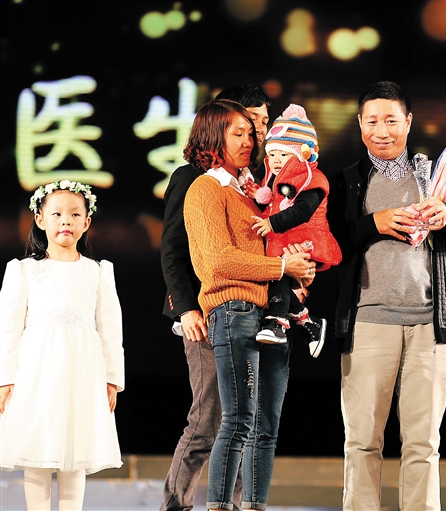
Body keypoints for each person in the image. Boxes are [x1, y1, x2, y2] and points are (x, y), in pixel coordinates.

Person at [328, 81, 446, 510]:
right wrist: (372, 223)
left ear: (409, 122)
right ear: (360, 124)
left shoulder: (435, 177)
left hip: (429, 328)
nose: (382, 131)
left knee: (423, 445)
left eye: (391, 121)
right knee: (362, 442)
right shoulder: (346, 182)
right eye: (373, 121)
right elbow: (329, 245)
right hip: (368, 323)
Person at [182, 99, 314, 511]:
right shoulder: (205, 188)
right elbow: (217, 262)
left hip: (271, 315)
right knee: (238, 421)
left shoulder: (253, 192)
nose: (249, 142)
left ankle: (254, 506)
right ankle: (220, 506)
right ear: (211, 138)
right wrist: (281, 267)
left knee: (266, 427)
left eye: (251, 134)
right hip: (234, 310)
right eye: (237, 134)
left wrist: (298, 270)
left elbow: (276, 247)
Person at [159, 84, 270, 511]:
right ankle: (176, 504)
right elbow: (173, 249)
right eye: (247, 124)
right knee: (208, 416)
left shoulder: (253, 183)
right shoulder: (192, 179)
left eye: (260, 125)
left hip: (248, 309)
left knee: (246, 417)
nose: (255, 134)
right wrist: (186, 308)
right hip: (204, 312)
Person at [0, 180, 124, 511]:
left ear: (87, 222)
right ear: (40, 219)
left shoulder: (97, 272)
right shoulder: (24, 270)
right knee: (37, 449)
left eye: (74, 214)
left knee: (75, 451)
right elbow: (8, 328)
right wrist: (5, 378)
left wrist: (112, 378)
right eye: (56, 214)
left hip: (82, 371)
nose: (66, 220)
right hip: (36, 371)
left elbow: (110, 329)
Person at [251, 104, 342, 357]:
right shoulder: (277, 180)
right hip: (289, 239)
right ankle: (307, 322)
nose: (276, 160)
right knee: (278, 276)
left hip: (307, 239)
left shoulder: (313, 178)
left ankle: (277, 323)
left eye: (284, 154)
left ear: (303, 154)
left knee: (278, 275)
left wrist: (271, 224)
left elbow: (303, 211)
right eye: (272, 154)